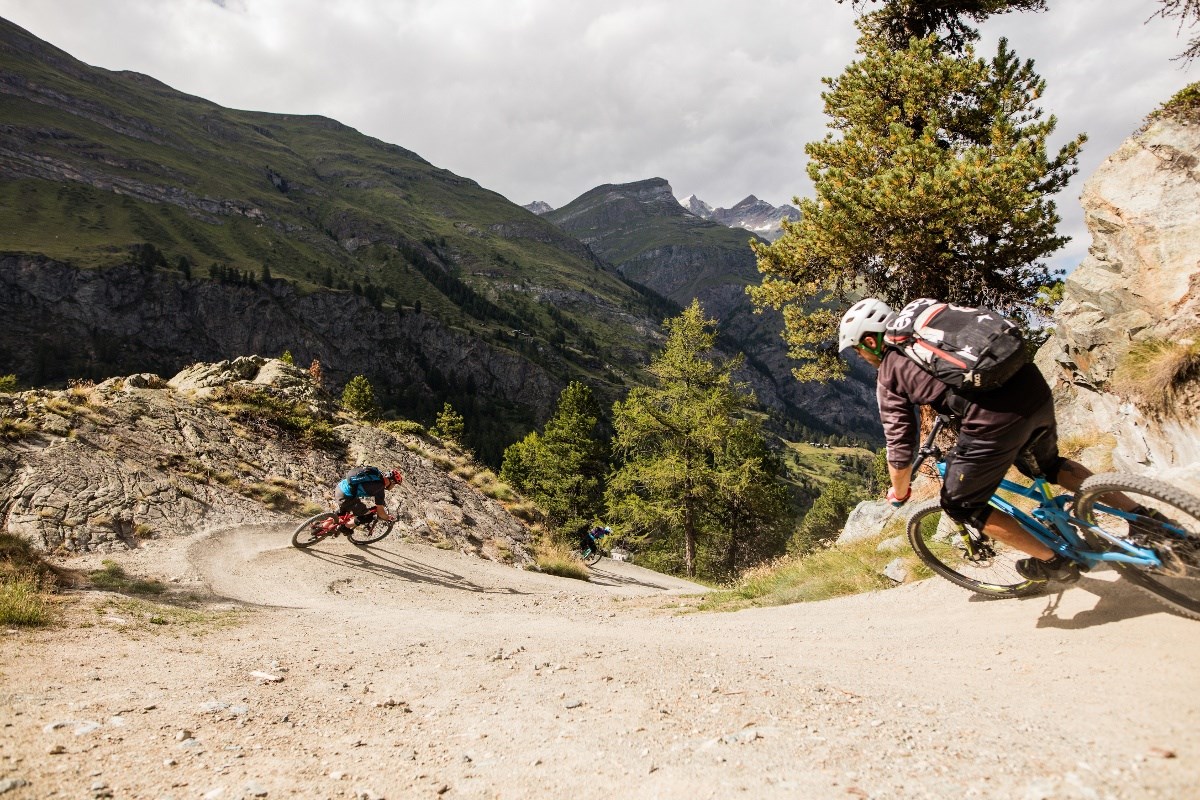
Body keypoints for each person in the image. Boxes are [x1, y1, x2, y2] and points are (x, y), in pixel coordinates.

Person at [839, 297, 1104, 584]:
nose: (861, 357)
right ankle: (1142, 517)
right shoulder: (924, 319)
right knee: (1050, 466)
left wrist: (900, 492)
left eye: (858, 350)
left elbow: (899, 449)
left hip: (993, 417)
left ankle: (1055, 562)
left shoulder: (890, 373)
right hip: (1030, 383)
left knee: (962, 505)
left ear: (869, 341)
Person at [335, 466, 403, 534]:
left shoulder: (376, 475)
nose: (393, 487)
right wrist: (387, 517)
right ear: (392, 481)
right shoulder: (379, 488)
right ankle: (345, 527)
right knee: (368, 516)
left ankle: (327, 524)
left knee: (342, 515)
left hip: (340, 487)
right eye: (394, 485)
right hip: (345, 496)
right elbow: (381, 513)